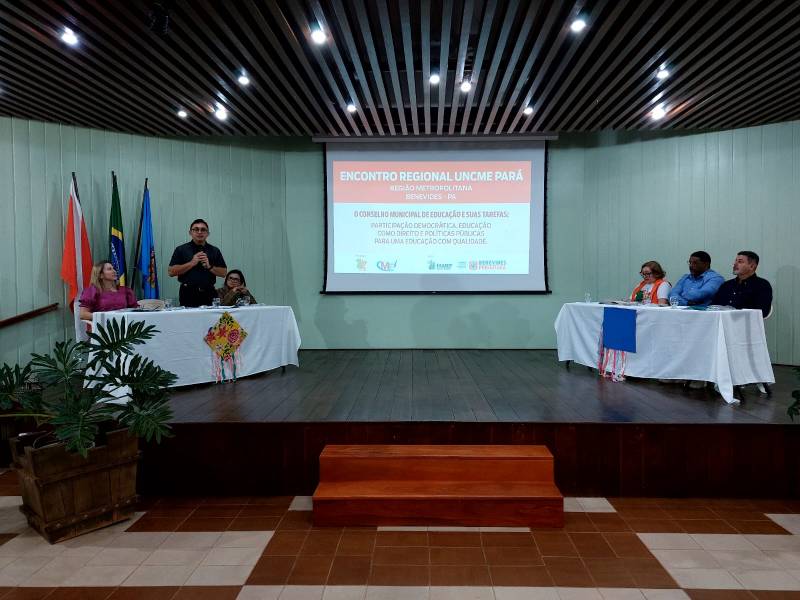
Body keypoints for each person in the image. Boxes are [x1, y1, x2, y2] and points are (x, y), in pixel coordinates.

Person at [168, 219, 227, 307]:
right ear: (190, 233)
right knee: (189, 316)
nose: (199, 232)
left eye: (203, 229)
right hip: (188, 293)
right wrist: (191, 263)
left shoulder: (214, 250)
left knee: (211, 316)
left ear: (207, 233)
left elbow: (223, 273)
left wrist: (209, 266)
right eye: (196, 229)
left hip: (209, 293)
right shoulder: (181, 249)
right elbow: (171, 272)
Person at [711, 251, 772, 317]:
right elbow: (713, 306)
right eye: (735, 261)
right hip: (722, 321)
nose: (735, 264)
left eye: (740, 262)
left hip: (746, 322)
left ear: (752, 266)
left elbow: (763, 312)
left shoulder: (762, 285)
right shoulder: (727, 285)